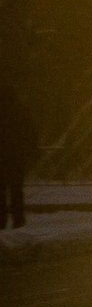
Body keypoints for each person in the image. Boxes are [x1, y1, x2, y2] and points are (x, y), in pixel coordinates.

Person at [0, 80, 36, 229]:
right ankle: (18, 219)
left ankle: (1, 220)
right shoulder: (20, 111)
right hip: (16, 157)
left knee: (1, 190)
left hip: (2, 157)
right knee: (16, 190)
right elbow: (29, 133)